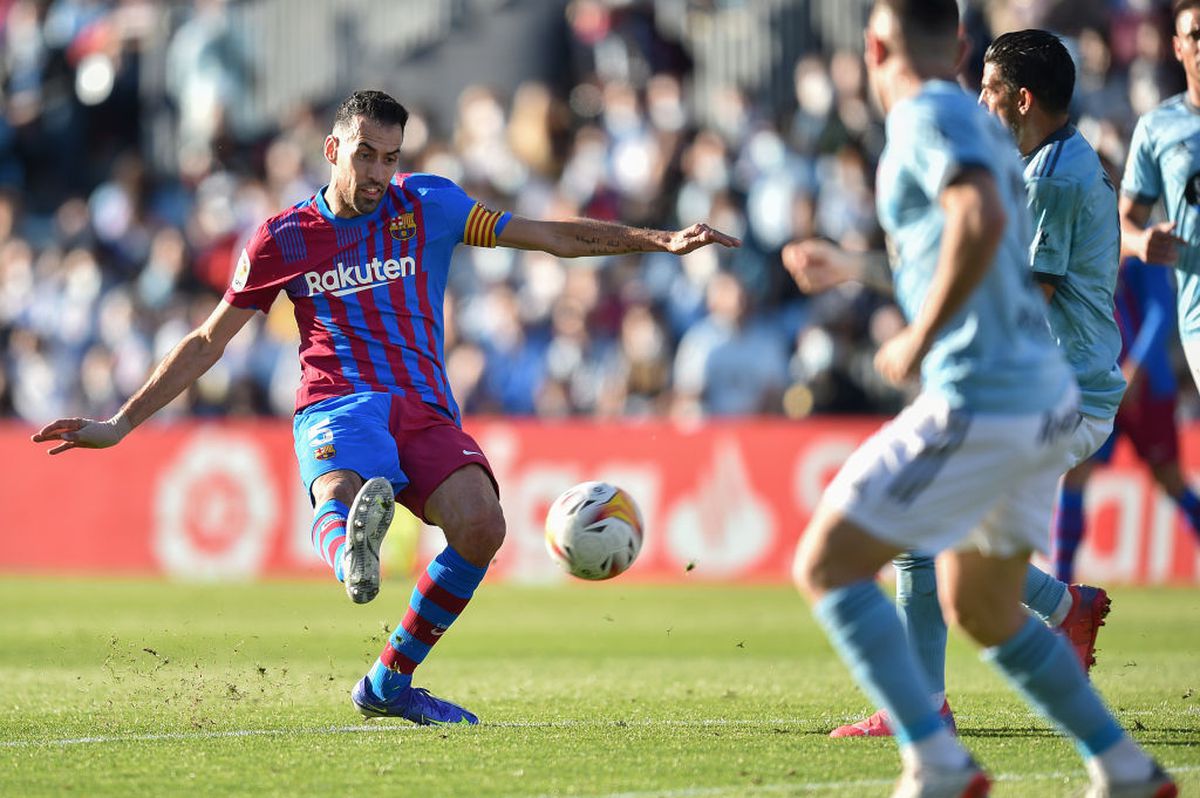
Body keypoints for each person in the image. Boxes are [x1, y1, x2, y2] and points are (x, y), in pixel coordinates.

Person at [30, 89, 740, 726]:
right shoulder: (284, 237)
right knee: (340, 489)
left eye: (390, 158)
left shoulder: (429, 205)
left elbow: (549, 236)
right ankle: (351, 561)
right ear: (333, 149)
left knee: (482, 528)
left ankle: (388, 683)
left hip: (424, 407)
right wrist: (121, 422)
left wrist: (660, 239)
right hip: (337, 402)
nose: (377, 173)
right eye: (365, 155)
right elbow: (209, 339)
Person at [782, 3, 1175, 796]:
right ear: (955, 46)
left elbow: (995, 252)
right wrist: (858, 269)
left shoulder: (971, 137)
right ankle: (1117, 752)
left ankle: (928, 741)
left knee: (840, 558)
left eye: (992, 88)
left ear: (874, 46)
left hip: (1017, 390)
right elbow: (974, 245)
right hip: (1042, 390)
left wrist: (914, 333)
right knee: (978, 598)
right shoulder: (1034, 155)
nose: (982, 97)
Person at [1054, 255, 1200, 581]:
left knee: (1171, 481)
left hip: (1147, 389)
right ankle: (1062, 588)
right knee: (1074, 474)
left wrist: (1137, 368)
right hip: (1097, 388)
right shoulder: (1083, 239)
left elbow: (1161, 311)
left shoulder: (1141, 248)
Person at [1121, 0, 1200, 391]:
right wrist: (1140, 242)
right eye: (1195, 36)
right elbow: (1124, 222)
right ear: (1178, 47)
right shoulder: (1158, 128)